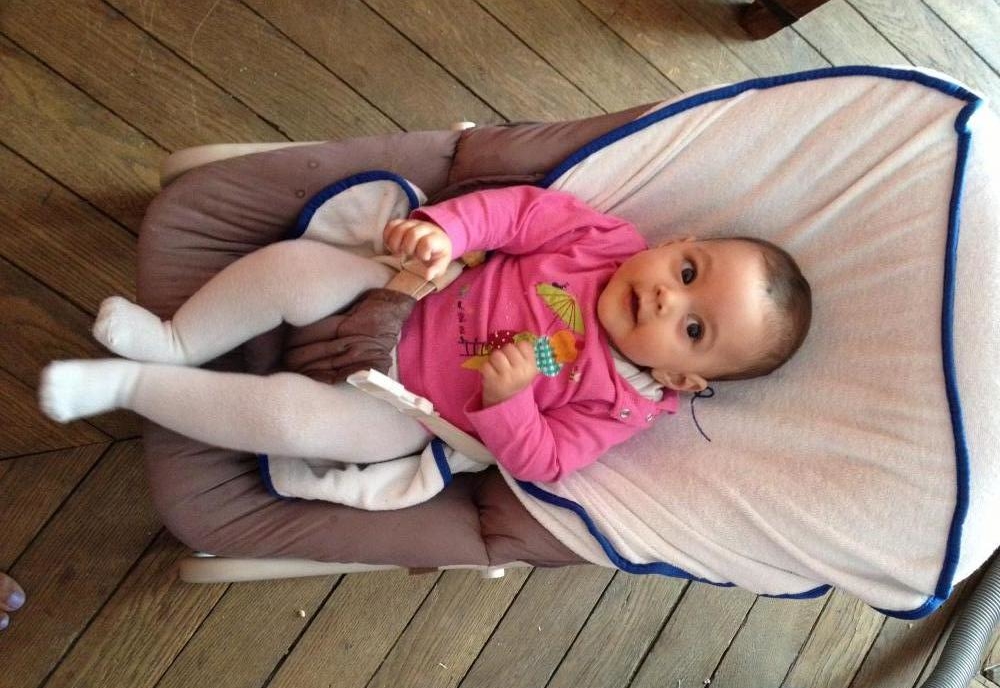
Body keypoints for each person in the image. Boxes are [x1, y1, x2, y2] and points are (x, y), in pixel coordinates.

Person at [38, 186, 811, 485]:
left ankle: (131, 386)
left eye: (693, 327)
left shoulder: (619, 406)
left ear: (680, 379)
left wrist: (512, 402)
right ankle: (178, 341)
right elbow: (516, 214)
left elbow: (545, 462)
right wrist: (446, 232)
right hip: (399, 297)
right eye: (687, 271)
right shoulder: (600, 243)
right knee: (297, 271)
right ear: (677, 244)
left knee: (291, 423)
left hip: (405, 407)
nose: (667, 297)